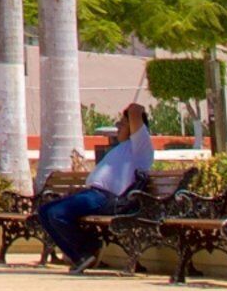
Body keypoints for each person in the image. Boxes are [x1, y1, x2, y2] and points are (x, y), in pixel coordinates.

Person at [36, 101, 155, 270]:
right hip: (91, 194)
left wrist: (129, 112)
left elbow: (136, 110)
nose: (117, 125)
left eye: (122, 123)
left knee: (57, 213)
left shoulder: (140, 146)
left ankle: (86, 251)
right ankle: (83, 254)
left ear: (135, 126)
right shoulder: (121, 148)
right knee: (44, 211)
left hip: (106, 199)